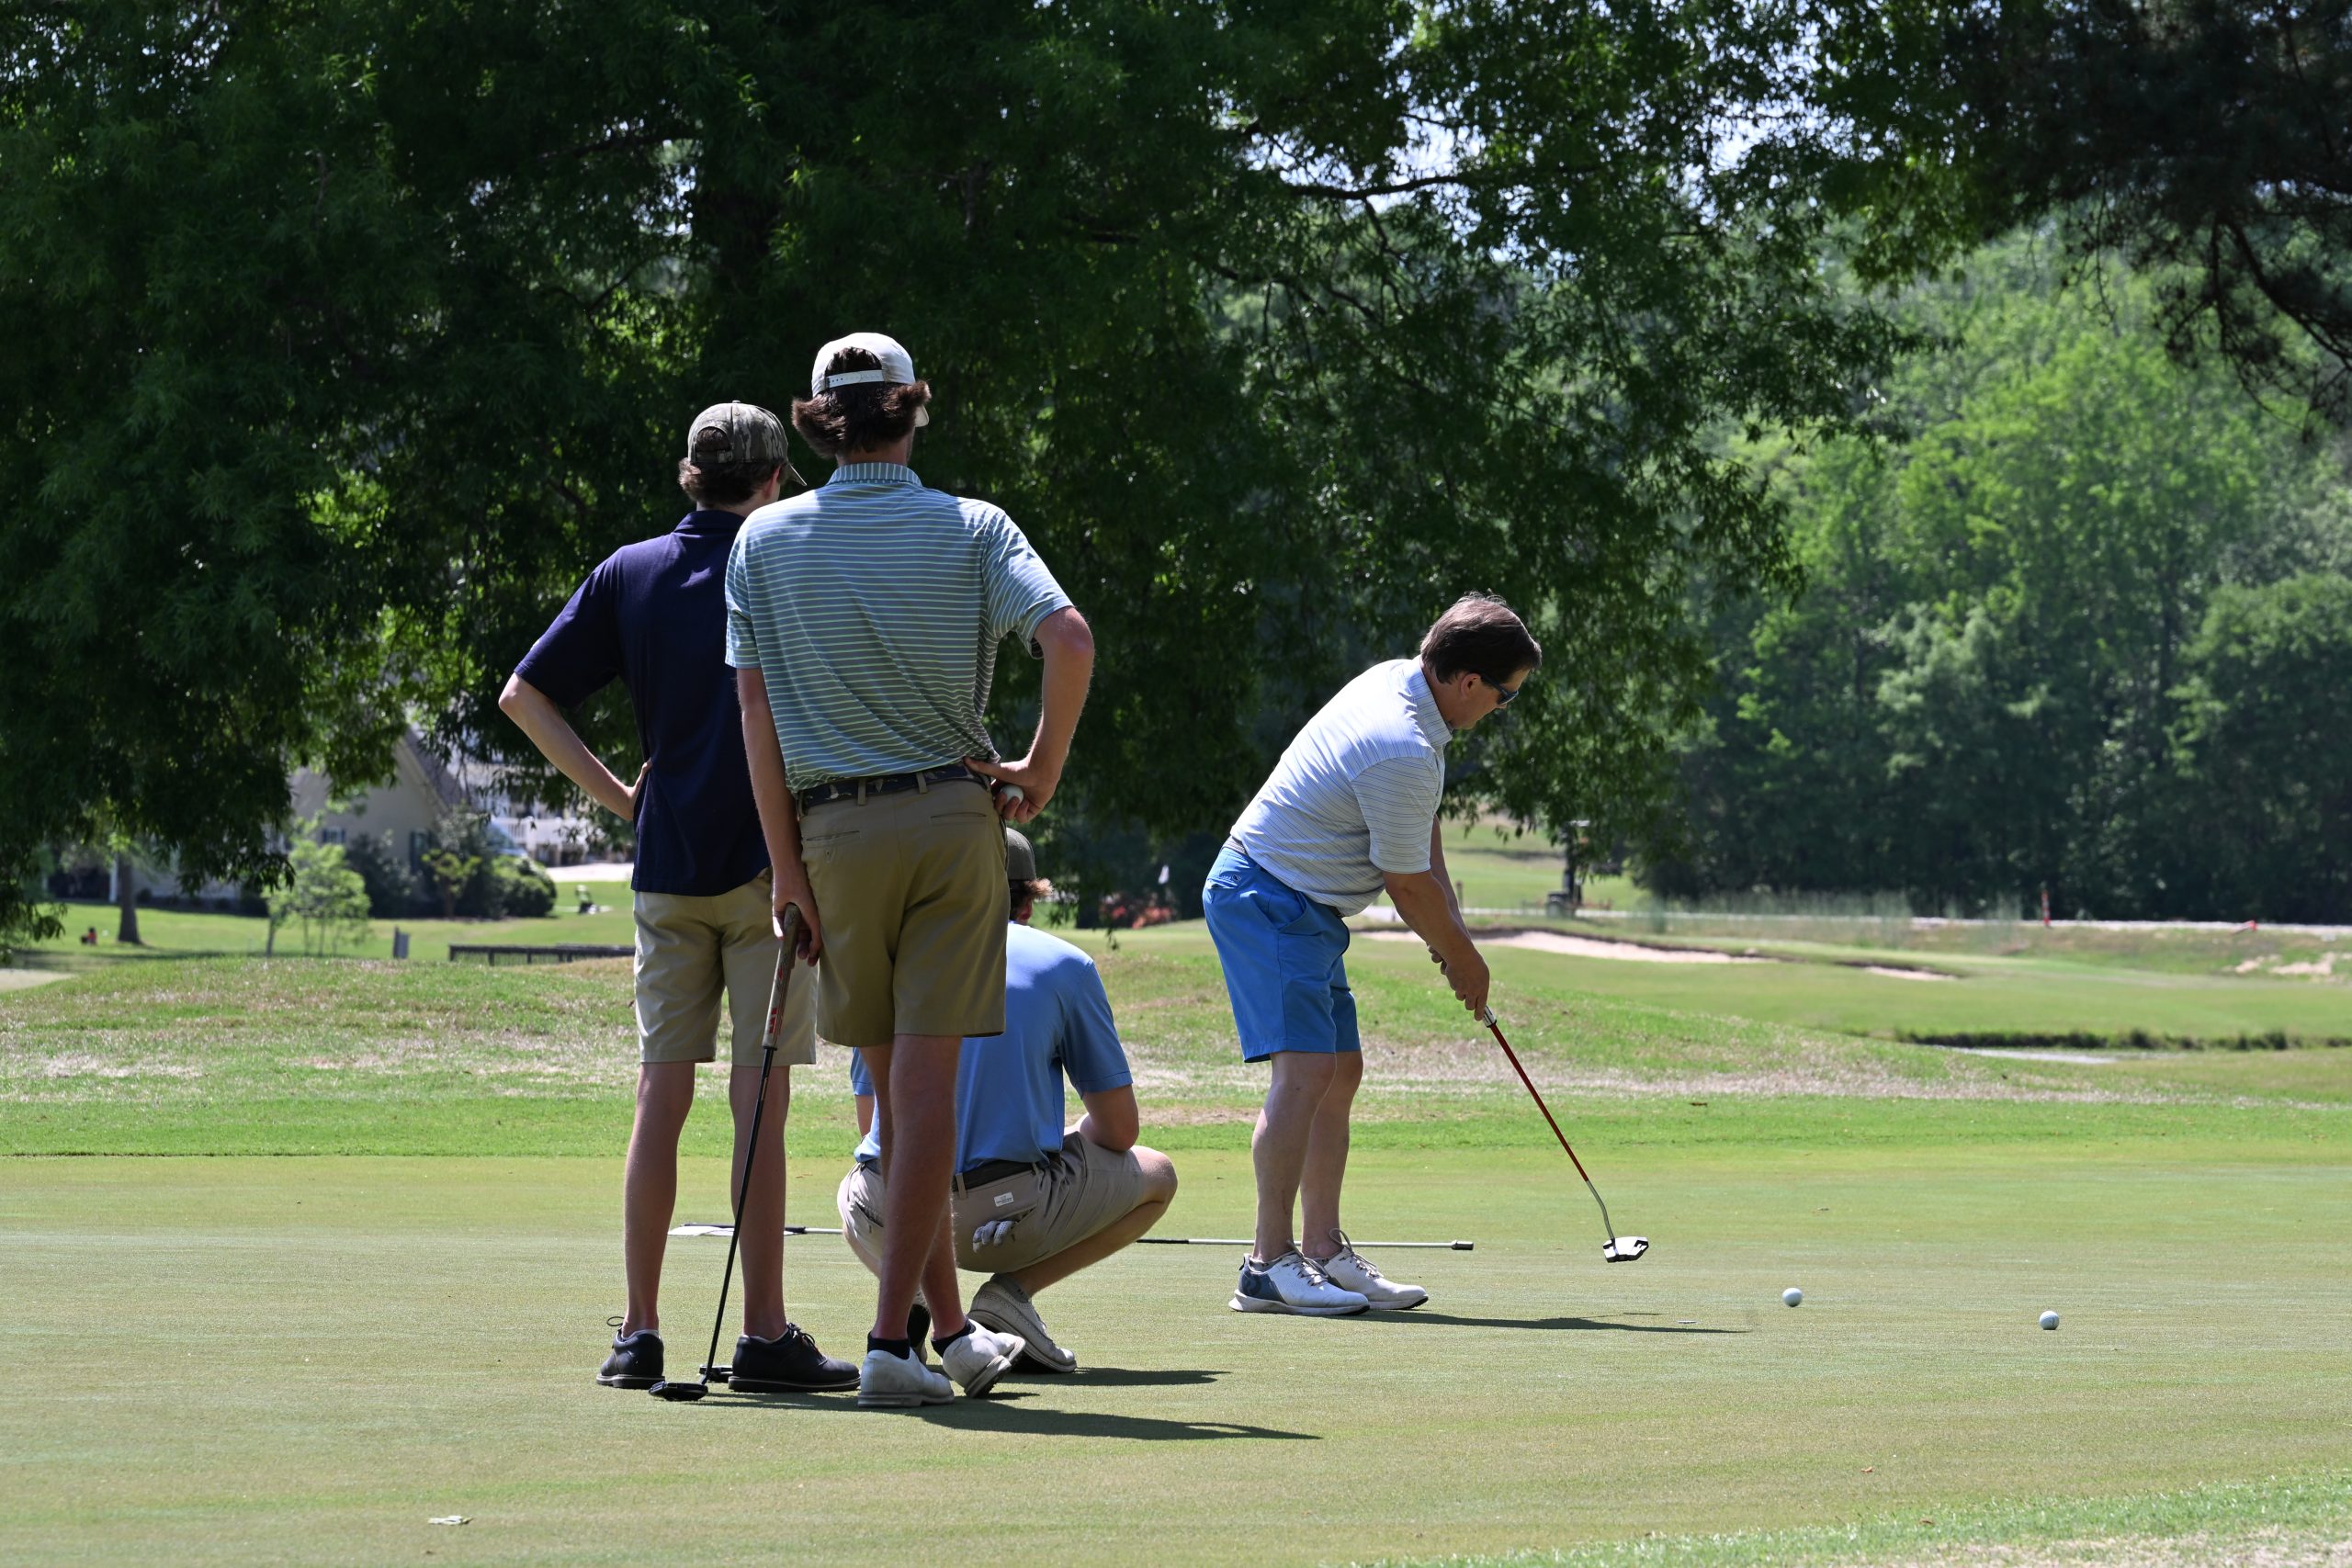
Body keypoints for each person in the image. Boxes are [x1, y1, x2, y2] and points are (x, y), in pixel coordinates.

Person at [727, 332, 1096, 1407]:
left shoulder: (763, 541)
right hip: (949, 815)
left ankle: (945, 1332)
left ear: (819, 419)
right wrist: (1041, 768)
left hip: (830, 831)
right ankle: (893, 1340)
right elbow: (1066, 640)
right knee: (923, 1094)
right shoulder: (974, 526)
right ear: (911, 409)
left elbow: (754, 717)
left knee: (896, 1096)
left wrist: (783, 865)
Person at [500, 402, 856, 1393]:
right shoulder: (787, 563)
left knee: (663, 1092)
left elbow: (524, 695)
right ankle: (765, 1332)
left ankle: (640, 1331)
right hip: (769, 870)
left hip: (664, 869)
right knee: (761, 1105)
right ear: (776, 477)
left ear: (692, 477)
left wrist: (620, 796)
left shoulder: (632, 570)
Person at [1204, 593, 1542, 1315]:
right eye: (1505, 696)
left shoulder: (1405, 689)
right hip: (1266, 893)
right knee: (1305, 1073)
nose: (1502, 709)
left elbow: (1421, 843)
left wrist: (1457, 942)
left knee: (1340, 1070)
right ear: (1469, 682)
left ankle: (1322, 1248)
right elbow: (1406, 885)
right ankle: (1266, 1265)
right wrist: (1464, 956)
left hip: (1304, 902)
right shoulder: (1404, 744)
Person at [836, 828, 1178, 1373]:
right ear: (1028, 899)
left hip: (888, 1213)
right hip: (1005, 1220)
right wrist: (1058, 1141)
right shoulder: (1065, 964)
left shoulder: (894, 955)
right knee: (1157, 1176)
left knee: (854, 1190)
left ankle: (918, 1299)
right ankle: (1010, 1295)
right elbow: (1119, 1131)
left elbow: (872, 1126)